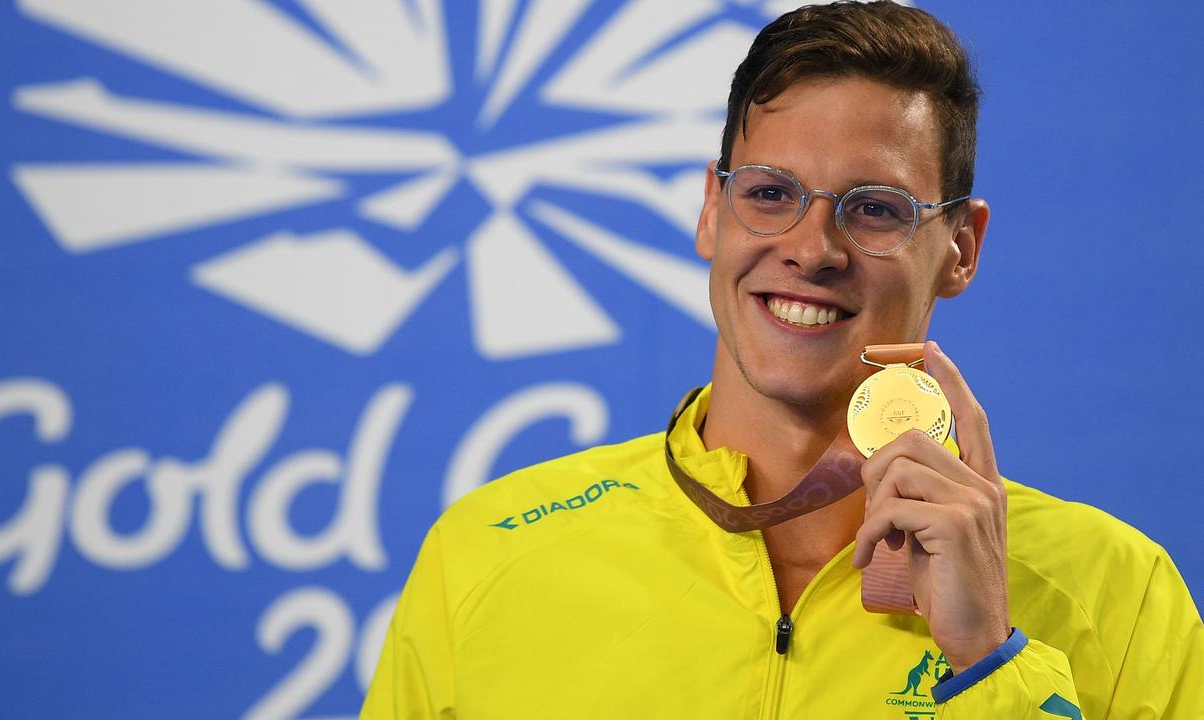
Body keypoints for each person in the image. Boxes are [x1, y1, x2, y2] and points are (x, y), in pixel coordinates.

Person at [361, 2, 1203, 717]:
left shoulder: (1120, 593)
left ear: (960, 248)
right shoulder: (487, 555)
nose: (812, 249)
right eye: (770, 193)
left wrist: (989, 663)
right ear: (711, 211)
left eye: (875, 209)